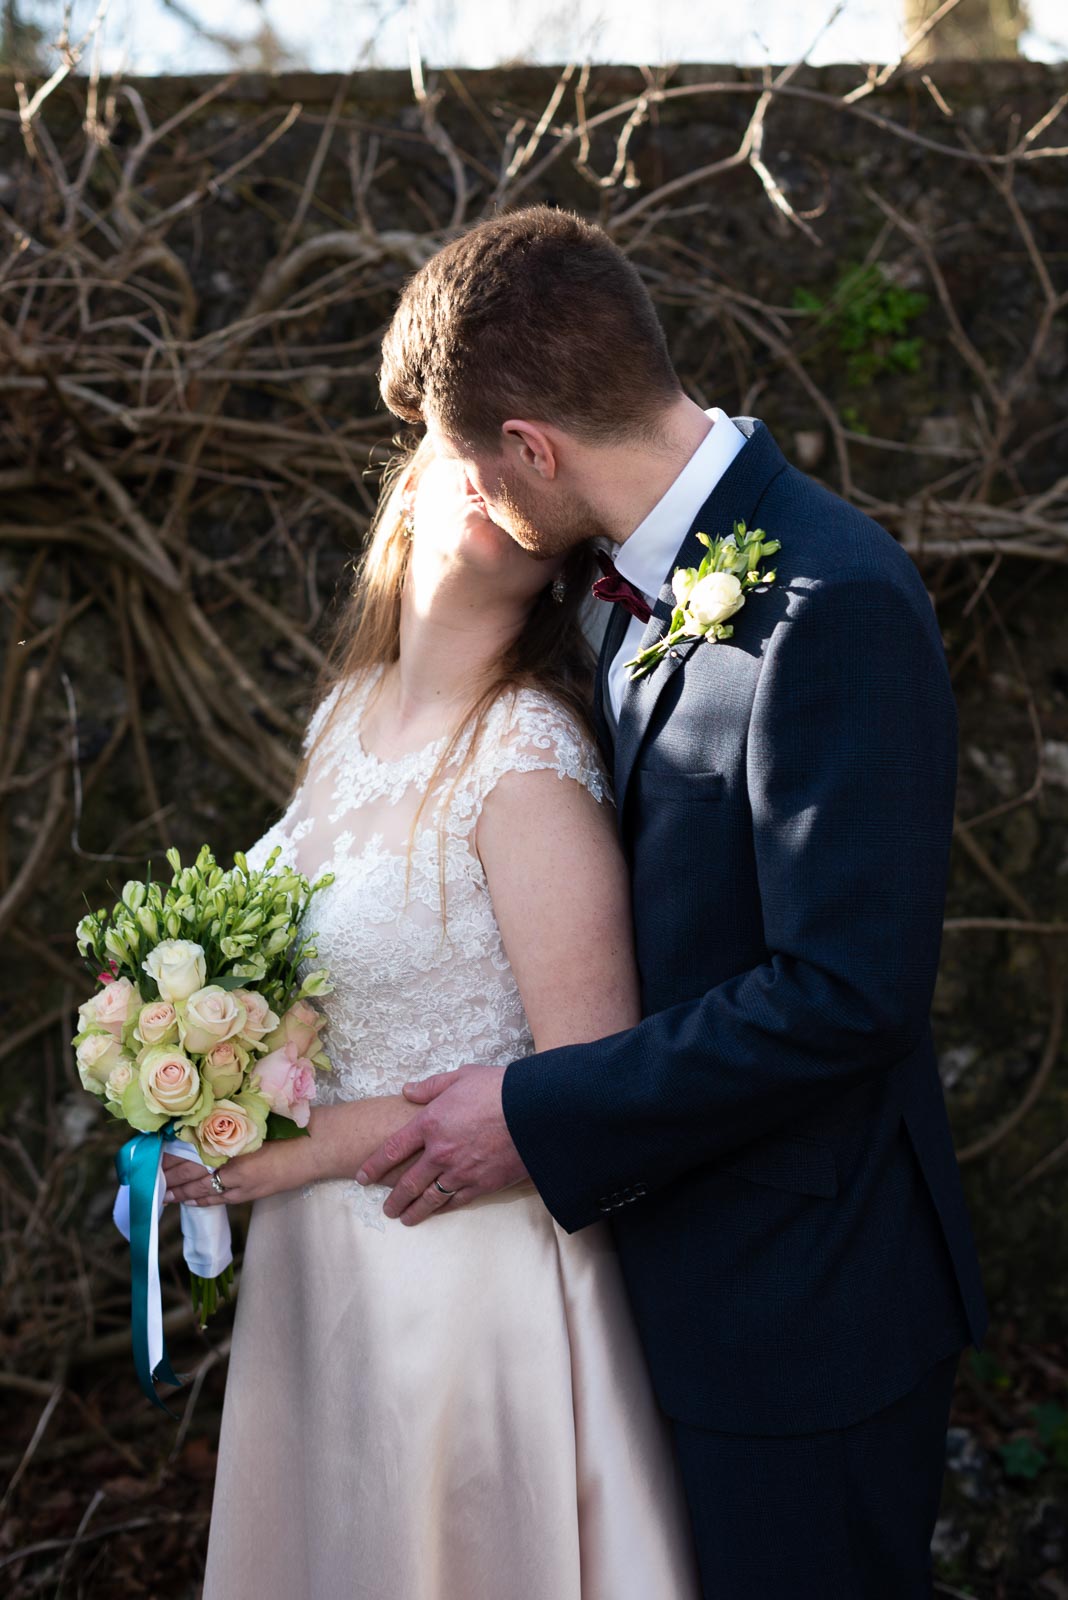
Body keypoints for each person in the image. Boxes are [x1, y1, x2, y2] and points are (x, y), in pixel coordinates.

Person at [355, 204, 990, 1598]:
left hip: (805, 1307)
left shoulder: (838, 603)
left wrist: (534, 1112)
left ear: (533, 446)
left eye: (464, 459)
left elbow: (846, 997)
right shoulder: (597, 588)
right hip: (656, 1285)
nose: (459, 495)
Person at [163, 439, 700, 1599]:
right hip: (319, 1274)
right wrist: (194, 1069)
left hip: (461, 1286)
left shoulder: (528, 760)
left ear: (563, 548)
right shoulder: (345, 714)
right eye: (457, 443)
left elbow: (585, 1083)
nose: (482, 473)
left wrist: (291, 1154)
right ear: (405, 477)